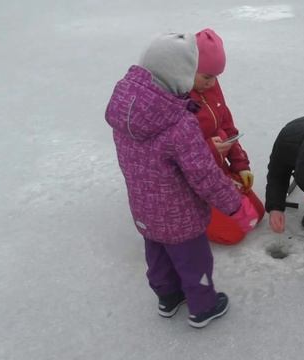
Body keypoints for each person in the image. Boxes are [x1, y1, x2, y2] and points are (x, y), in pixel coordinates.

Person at [105, 33, 250, 328]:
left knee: (157, 257)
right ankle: (204, 307)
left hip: (143, 208)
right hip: (180, 214)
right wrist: (235, 206)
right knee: (194, 262)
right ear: (180, 75)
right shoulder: (178, 123)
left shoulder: (125, 110)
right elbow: (204, 174)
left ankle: (168, 298)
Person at [188, 28, 265, 245]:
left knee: (257, 213)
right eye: (207, 77)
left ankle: (227, 187)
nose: (212, 83)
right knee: (233, 233)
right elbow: (179, 154)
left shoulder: (211, 87)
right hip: (195, 183)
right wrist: (210, 150)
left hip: (218, 170)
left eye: (216, 77)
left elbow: (228, 126)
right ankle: (195, 214)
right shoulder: (178, 97)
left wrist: (241, 165)